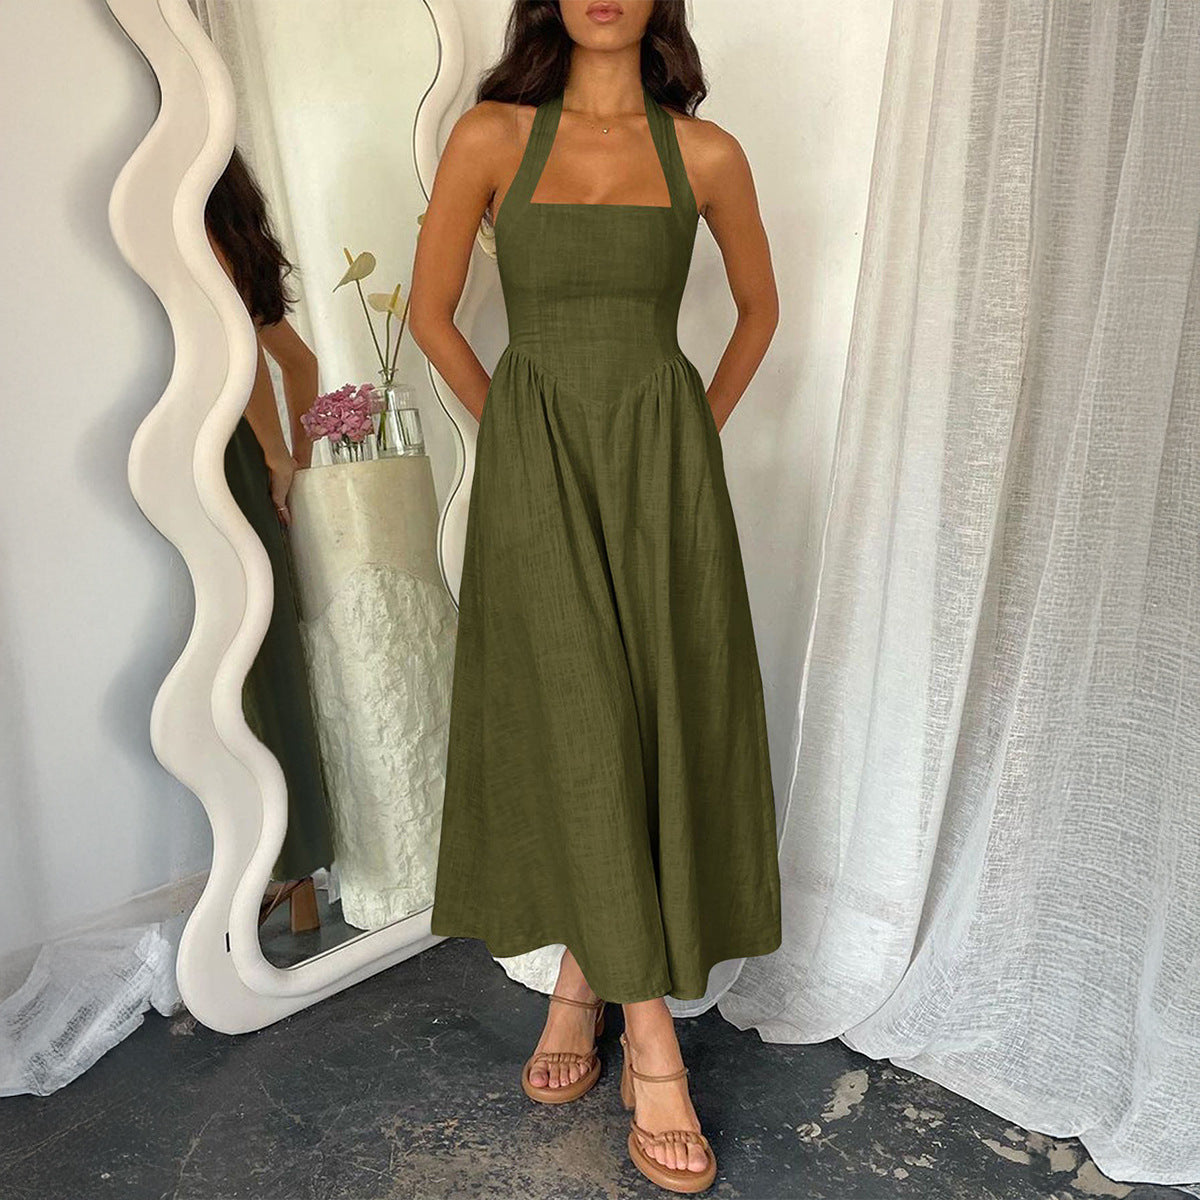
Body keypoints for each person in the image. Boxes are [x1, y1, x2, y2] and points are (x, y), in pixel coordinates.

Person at [410, 1, 781, 1191]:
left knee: (647, 718)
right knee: (577, 717)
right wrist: (513, 434)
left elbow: (761, 310)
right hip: (541, 471)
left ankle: (581, 982)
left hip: (661, 478)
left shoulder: (708, 154)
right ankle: (654, 1043)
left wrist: (692, 432)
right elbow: (429, 315)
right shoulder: (492, 137)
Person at [205, 148, 335, 933]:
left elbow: (250, 356)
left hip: (223, 457)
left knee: (252, 666)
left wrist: (285, 459)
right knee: (259, 661)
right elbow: (300, 362)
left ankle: (287, 861)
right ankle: (296, 868)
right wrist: (295, 467)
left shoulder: (196, 235)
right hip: (231, 461)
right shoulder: (224, 233)